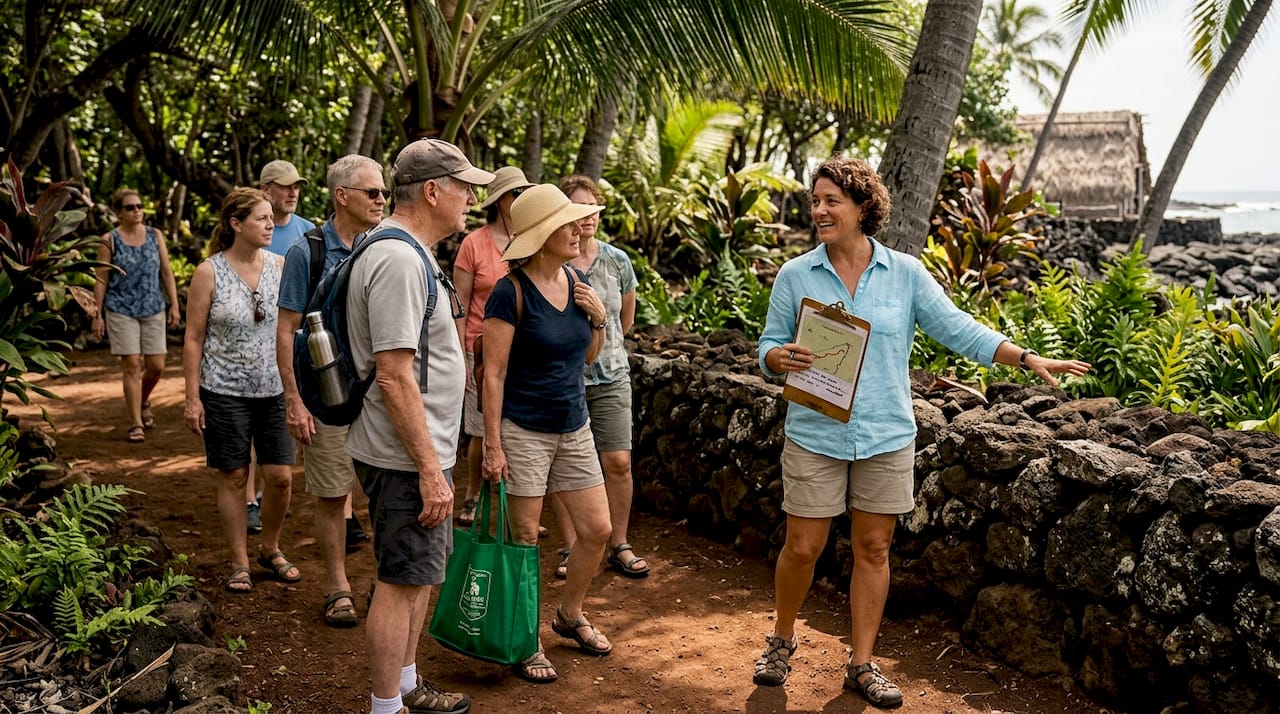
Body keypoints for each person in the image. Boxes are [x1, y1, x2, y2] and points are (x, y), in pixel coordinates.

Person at [751, 156, 1091, 709]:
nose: (818, 210)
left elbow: (959, 329)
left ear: (864, 208)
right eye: (815, 201)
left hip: (886, 434)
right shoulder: (796, 275)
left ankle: (861, 664)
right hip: (815, 430)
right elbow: (766, 345)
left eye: (831, 201)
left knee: (874, 546)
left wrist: (1026, 357)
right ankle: (782, 639)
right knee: (803, 545)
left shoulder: (905, 273)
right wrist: (777, 358)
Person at [345, 138, 491, 714]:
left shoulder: (408, 252)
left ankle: (406, 685)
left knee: (418, 573)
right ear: (432, 191)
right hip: (404, 453)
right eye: (464, 189)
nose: (471, 201)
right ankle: (386, 707)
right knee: (401, 579)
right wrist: (430, 468)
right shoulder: (400, 260)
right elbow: (393, 375)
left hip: (417, 449)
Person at [480, 183, 614, 683]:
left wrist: (599, 322)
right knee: (524, 540)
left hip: (573, 425)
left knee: (597, 530)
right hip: (524, 431)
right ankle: (525, 636)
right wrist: (492, 445)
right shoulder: (509, 292)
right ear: (541, 235)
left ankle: (569, 614)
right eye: (569, 222)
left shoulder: (578, 280)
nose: (580, 228)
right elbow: (492, 374)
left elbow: (585, 357)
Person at [275, 154, 386, 628]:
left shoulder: (386, 245)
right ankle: (337, 585)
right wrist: (294, 402)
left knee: (386, 492)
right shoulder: (308, 251)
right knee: (331, 492)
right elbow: (285, 331)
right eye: (372, 192)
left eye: (384, 191)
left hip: (381, 394)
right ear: (343, 196)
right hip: (329, 395)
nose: (382, 199)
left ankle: (386, 580)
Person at [183, 187, 299, 595]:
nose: (271, 224)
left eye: (271, 217)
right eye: (262, 218)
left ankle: (270, 547)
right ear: (236, 224)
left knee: (281, 477)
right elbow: (193, 338)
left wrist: (297, 392)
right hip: (223, 391)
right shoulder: (208, 271)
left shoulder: (281, 266)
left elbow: (292, 329)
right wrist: (192, 397)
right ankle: (239, 561)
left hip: (275, 389)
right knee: (234, 476)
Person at [547, 175, 646, 580]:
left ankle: (618, 543)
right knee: (563, 465)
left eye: (592, 209)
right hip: (565, 378)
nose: (586, 218)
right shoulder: (554, 258)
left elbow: (627, 319)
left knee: (618, 461)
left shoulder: (618, 261)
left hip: (611, 375)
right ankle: (572, 546)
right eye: (577, 209)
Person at [452, 165, 533, 527]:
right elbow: (461, 306)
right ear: (500, 201)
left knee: (518, 427)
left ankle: (517, 503)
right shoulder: (474, 244)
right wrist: (462, 357)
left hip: (525, 350)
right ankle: (471, 496)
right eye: (516, 194)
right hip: (481, 349)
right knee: (480, 428)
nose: (521, 200)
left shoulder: (534, 239)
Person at [247, 160, 316, 532]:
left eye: (297, 187)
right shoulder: (252, 229)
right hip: (257, 344)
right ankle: (251, 500)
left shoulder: (309, 233)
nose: (293, 193)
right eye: (285, 186)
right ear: (266, 189)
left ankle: (281, 495)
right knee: (260, 422)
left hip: (300, 343)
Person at [91, 188, 181, 444]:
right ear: (118, 212)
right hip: (120, 308)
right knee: (131, 364)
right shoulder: (109, 239)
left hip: (153, 306)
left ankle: (142, 401)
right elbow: (101, 278)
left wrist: (174, 304)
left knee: (156, 366)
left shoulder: (155, 235)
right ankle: (135, 423)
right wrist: (96, 314)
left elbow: (166, 271)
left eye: (140, 206)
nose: (137, 211)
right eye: (130, 207)